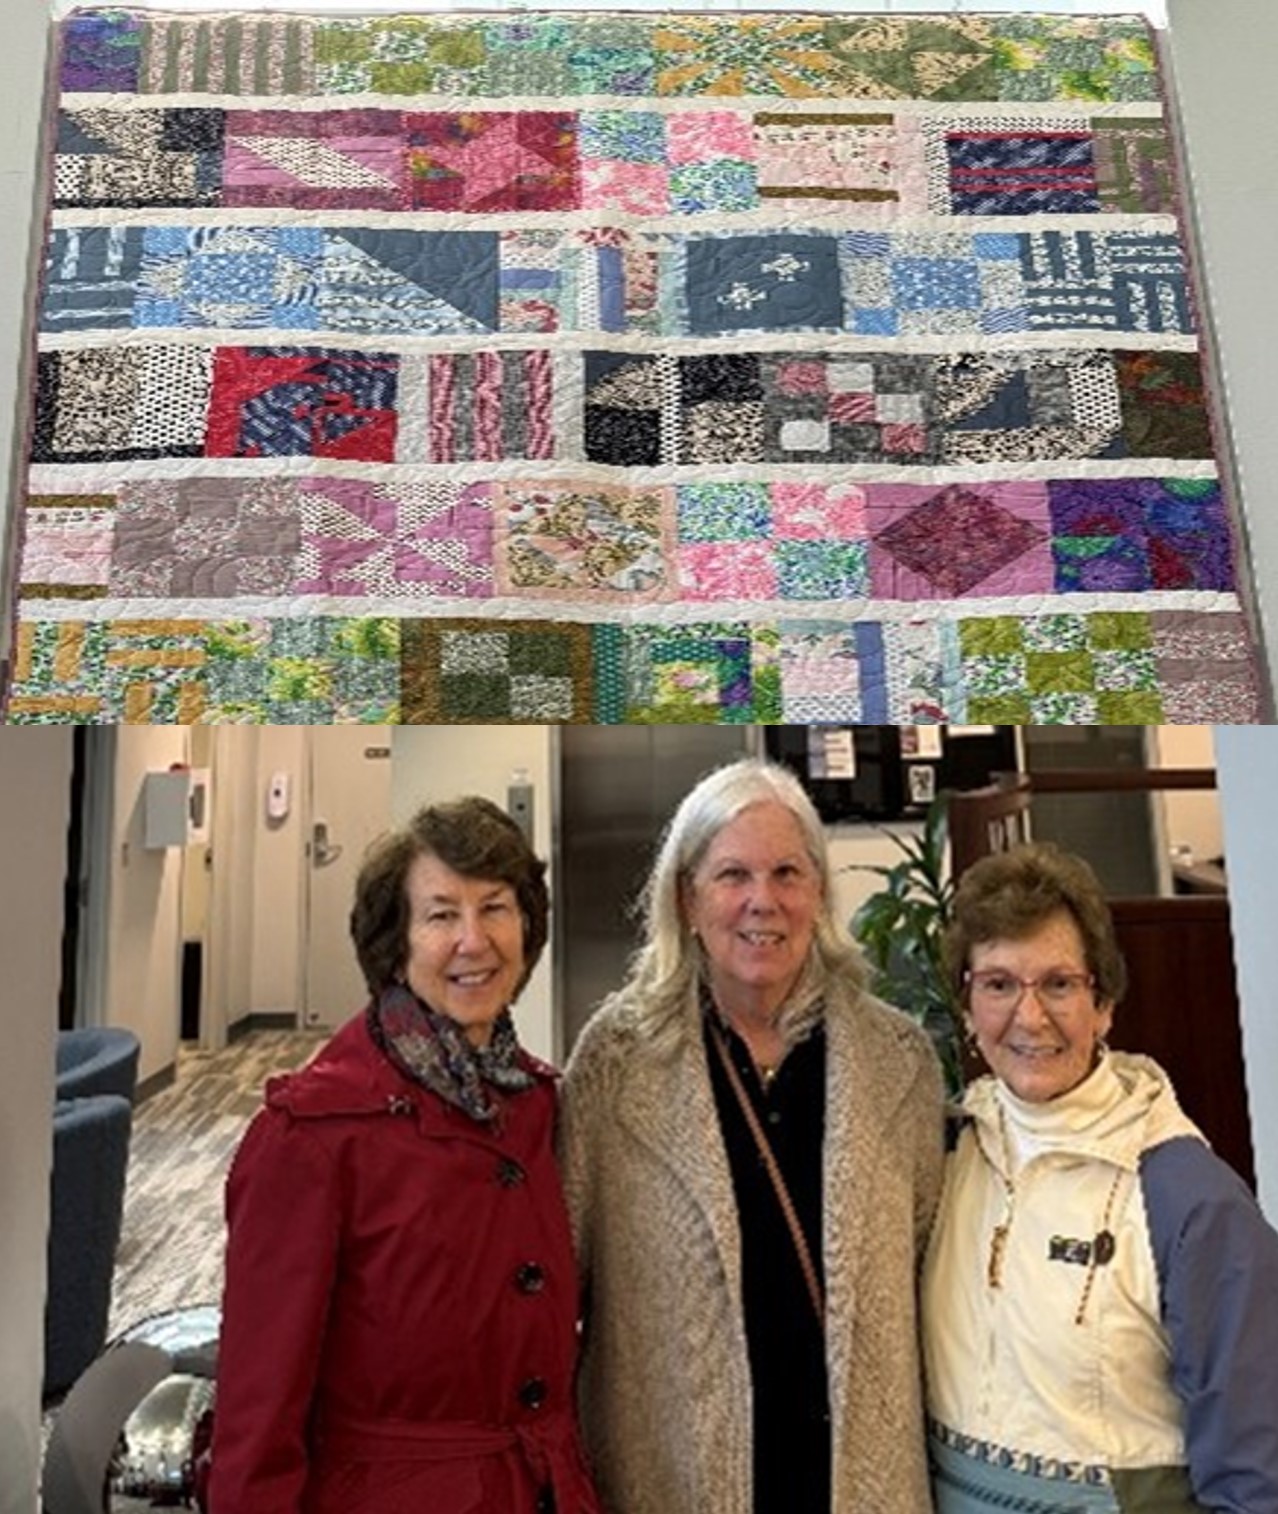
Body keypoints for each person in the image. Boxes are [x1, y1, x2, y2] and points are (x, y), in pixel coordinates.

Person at [559, 758, 946, 1514]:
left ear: (819, 894)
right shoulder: (616, 1062)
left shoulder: (898, 1063)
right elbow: (561, 1275)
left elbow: (928, 1274)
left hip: (856, 1480)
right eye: (732, 874)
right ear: (687, 897)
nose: (761, 902)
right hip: (670, 1480)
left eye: (787, 874)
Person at [208, 797, 602, 1514]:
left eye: (497, 907)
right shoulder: (313, 1135)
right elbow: (257, 1412)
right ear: (395, 941)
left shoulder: (540, 1103)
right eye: (441, 914)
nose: (474, 941)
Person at [923, 841, 1278, 1514]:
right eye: (999, 983)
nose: (1030, 1018)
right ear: (967, 1006)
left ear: (1105, 1001)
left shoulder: (1190, 1201)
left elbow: (1259, 1477)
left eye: (1058, 983)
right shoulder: (945, 1152)